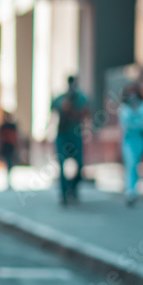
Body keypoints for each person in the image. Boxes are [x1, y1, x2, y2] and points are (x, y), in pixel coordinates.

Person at [51, 75, 89, 204]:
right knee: (62, 165)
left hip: (76, 135)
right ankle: (63, 193)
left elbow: (87, 111)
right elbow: (55, 108)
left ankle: (72, 188)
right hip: (63, 135)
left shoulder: (81, 98)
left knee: (80, 164)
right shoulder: (61, 98)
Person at [118, 83, 143, 206]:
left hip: (140, 140)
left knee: (136, 166)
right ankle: (130, 192)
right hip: (128, 141)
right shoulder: (124, 109)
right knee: (130, 164)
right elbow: (125, 126)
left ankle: (133, 188)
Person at [0, 111, 18, 188]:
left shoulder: (12, 126)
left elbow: (15, 136)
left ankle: (9, 177)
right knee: (7, 161)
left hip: (10, 145)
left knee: (9, 161)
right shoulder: (4, 126)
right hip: (6, 145)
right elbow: (0, 137)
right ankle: (8, 177)